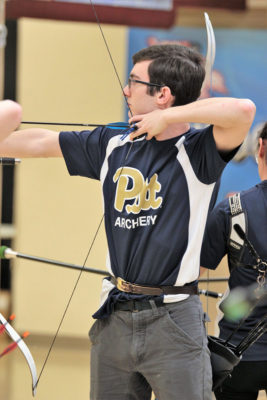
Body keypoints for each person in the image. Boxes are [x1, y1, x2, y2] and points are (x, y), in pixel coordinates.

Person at [0, 44, 256, 400]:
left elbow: (243, 110)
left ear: (163, 95)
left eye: (134, 82)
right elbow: (42, 141)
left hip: (173, 318)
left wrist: (166, 119)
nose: (125, 90)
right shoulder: (113, 144)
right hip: (115, 316)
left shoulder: (199, 151)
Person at [200, 122, 267, 400]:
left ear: (260, 148)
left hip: (239, 356)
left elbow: (190, 277)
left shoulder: (233, 208)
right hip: (241, 352)